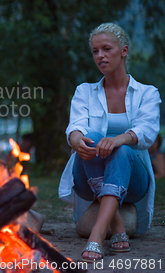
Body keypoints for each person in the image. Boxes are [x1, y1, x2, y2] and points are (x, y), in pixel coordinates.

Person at [59, 23, 160, 262]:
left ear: (123, 51)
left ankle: (97, 232)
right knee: (91, 138)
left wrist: (117, 140)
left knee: (122, 150)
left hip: (133, 181)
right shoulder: (84, 91)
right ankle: (118, 226)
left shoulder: (147, 93)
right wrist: (75, 140)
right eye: (95, 51)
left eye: (106, 49)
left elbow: (147, 132)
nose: (100, 56)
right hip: (87, 174)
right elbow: (76, 127)